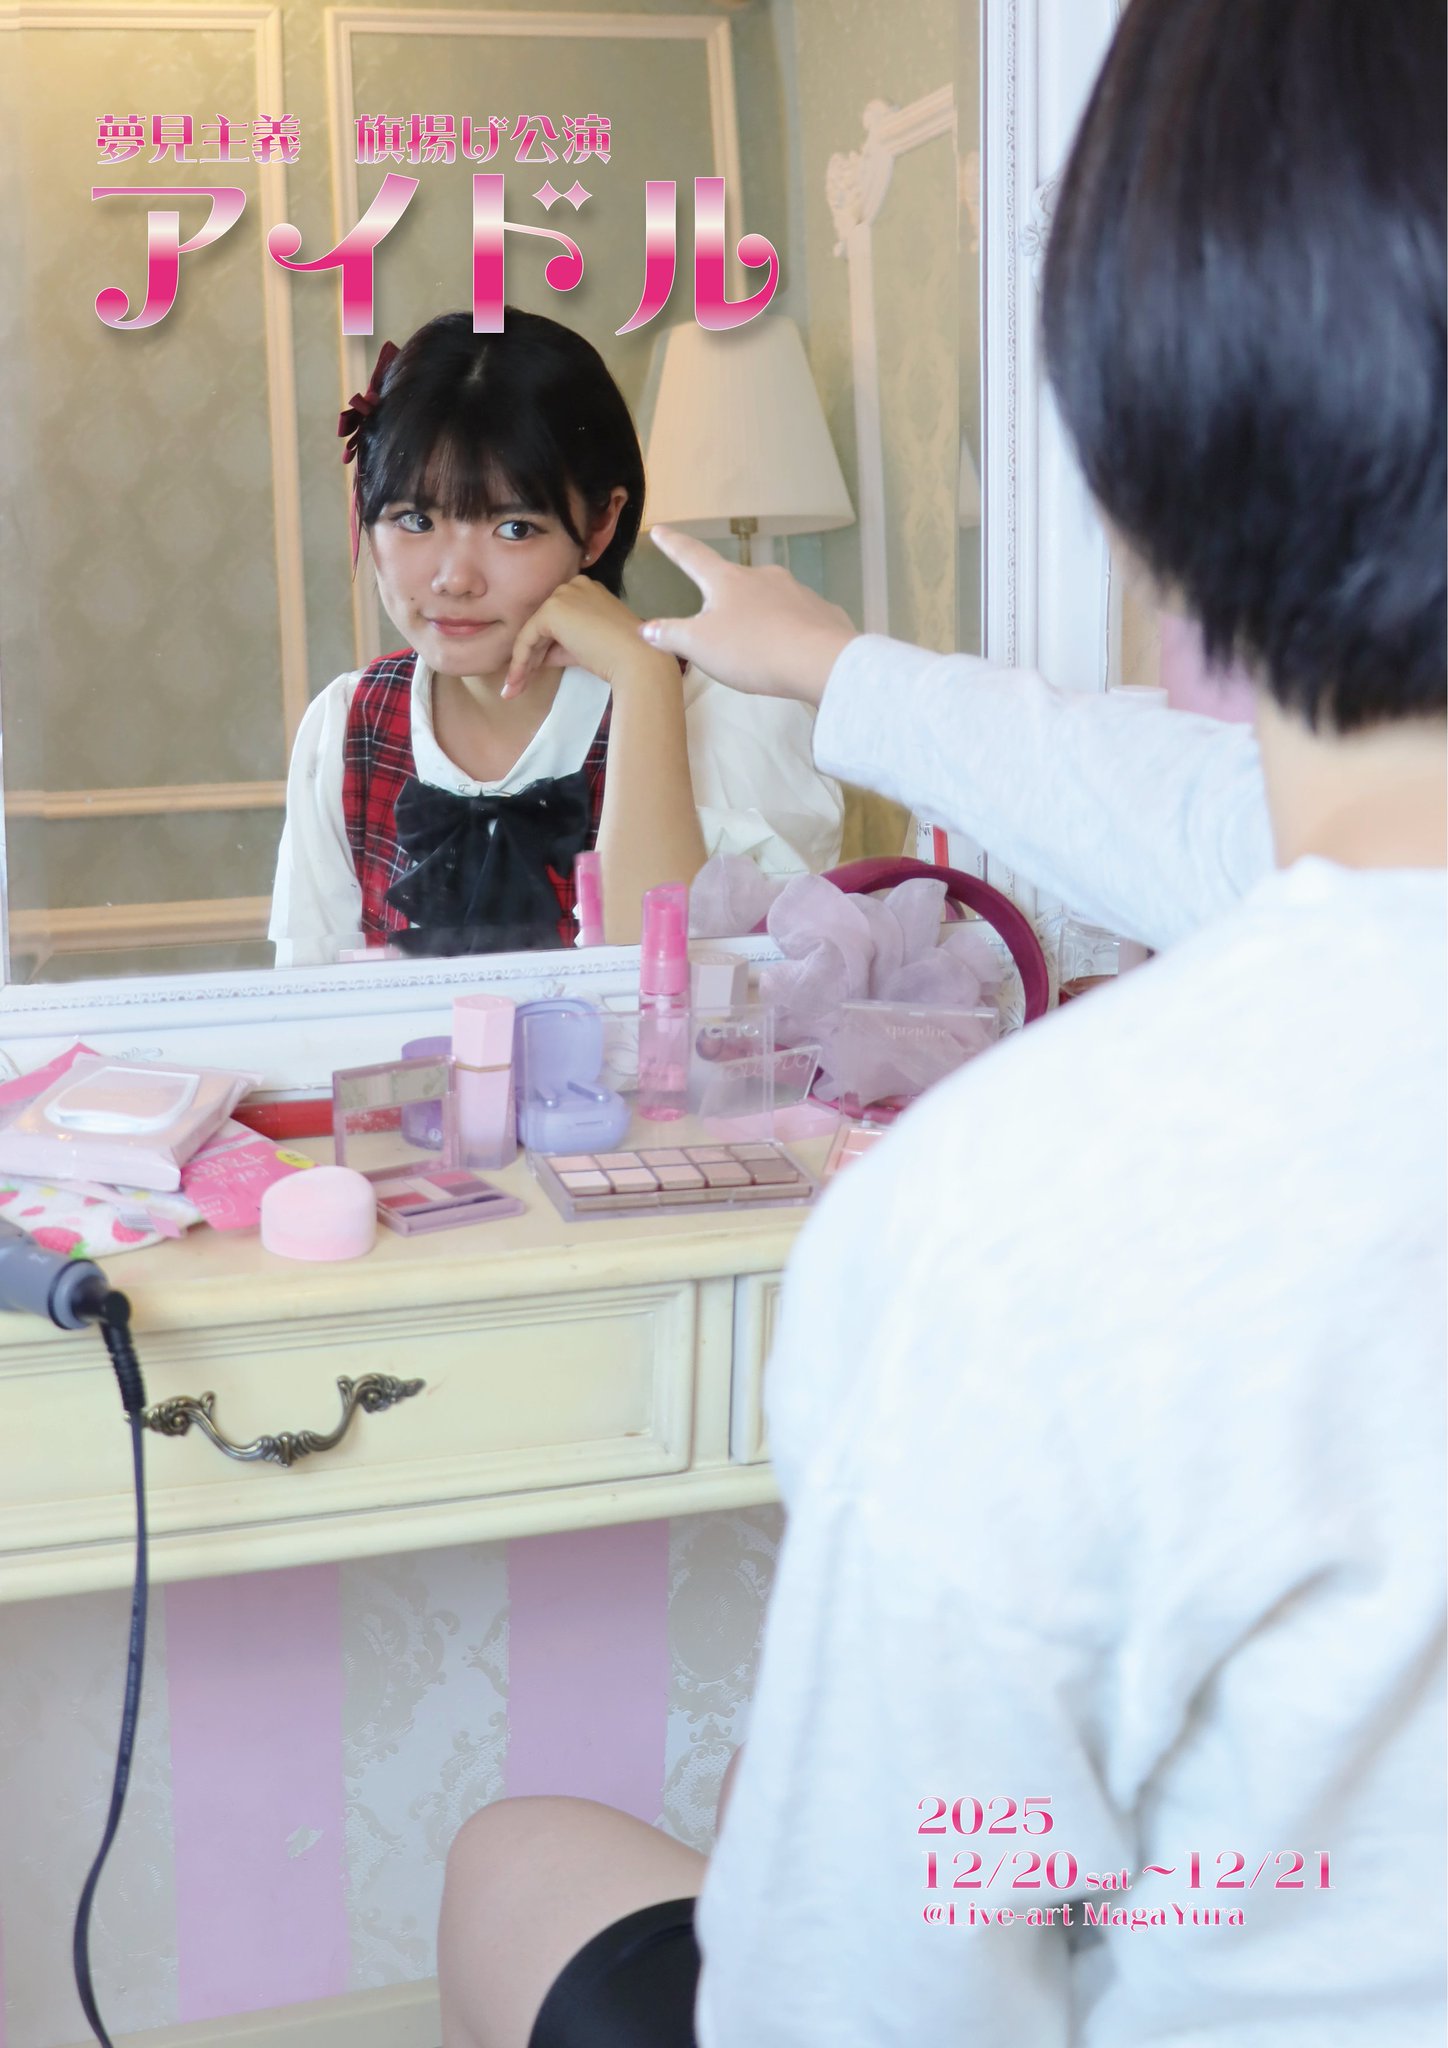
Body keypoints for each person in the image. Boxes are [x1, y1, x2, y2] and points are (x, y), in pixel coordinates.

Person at [437, 1, 1446, 2043]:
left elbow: (862, 1990)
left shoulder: (1036, 1217)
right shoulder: (349, 734)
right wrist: (838, 664)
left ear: (1155, 431)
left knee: (521, 1857)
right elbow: (1185, 805)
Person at [268, 310, 843, 964]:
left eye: (513, 528)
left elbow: (685, 1002)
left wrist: (645, 680)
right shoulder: (348, 725)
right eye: (415, 520)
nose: (455, 580)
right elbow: (307, 1003)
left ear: (600, 526)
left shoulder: (733, 719)